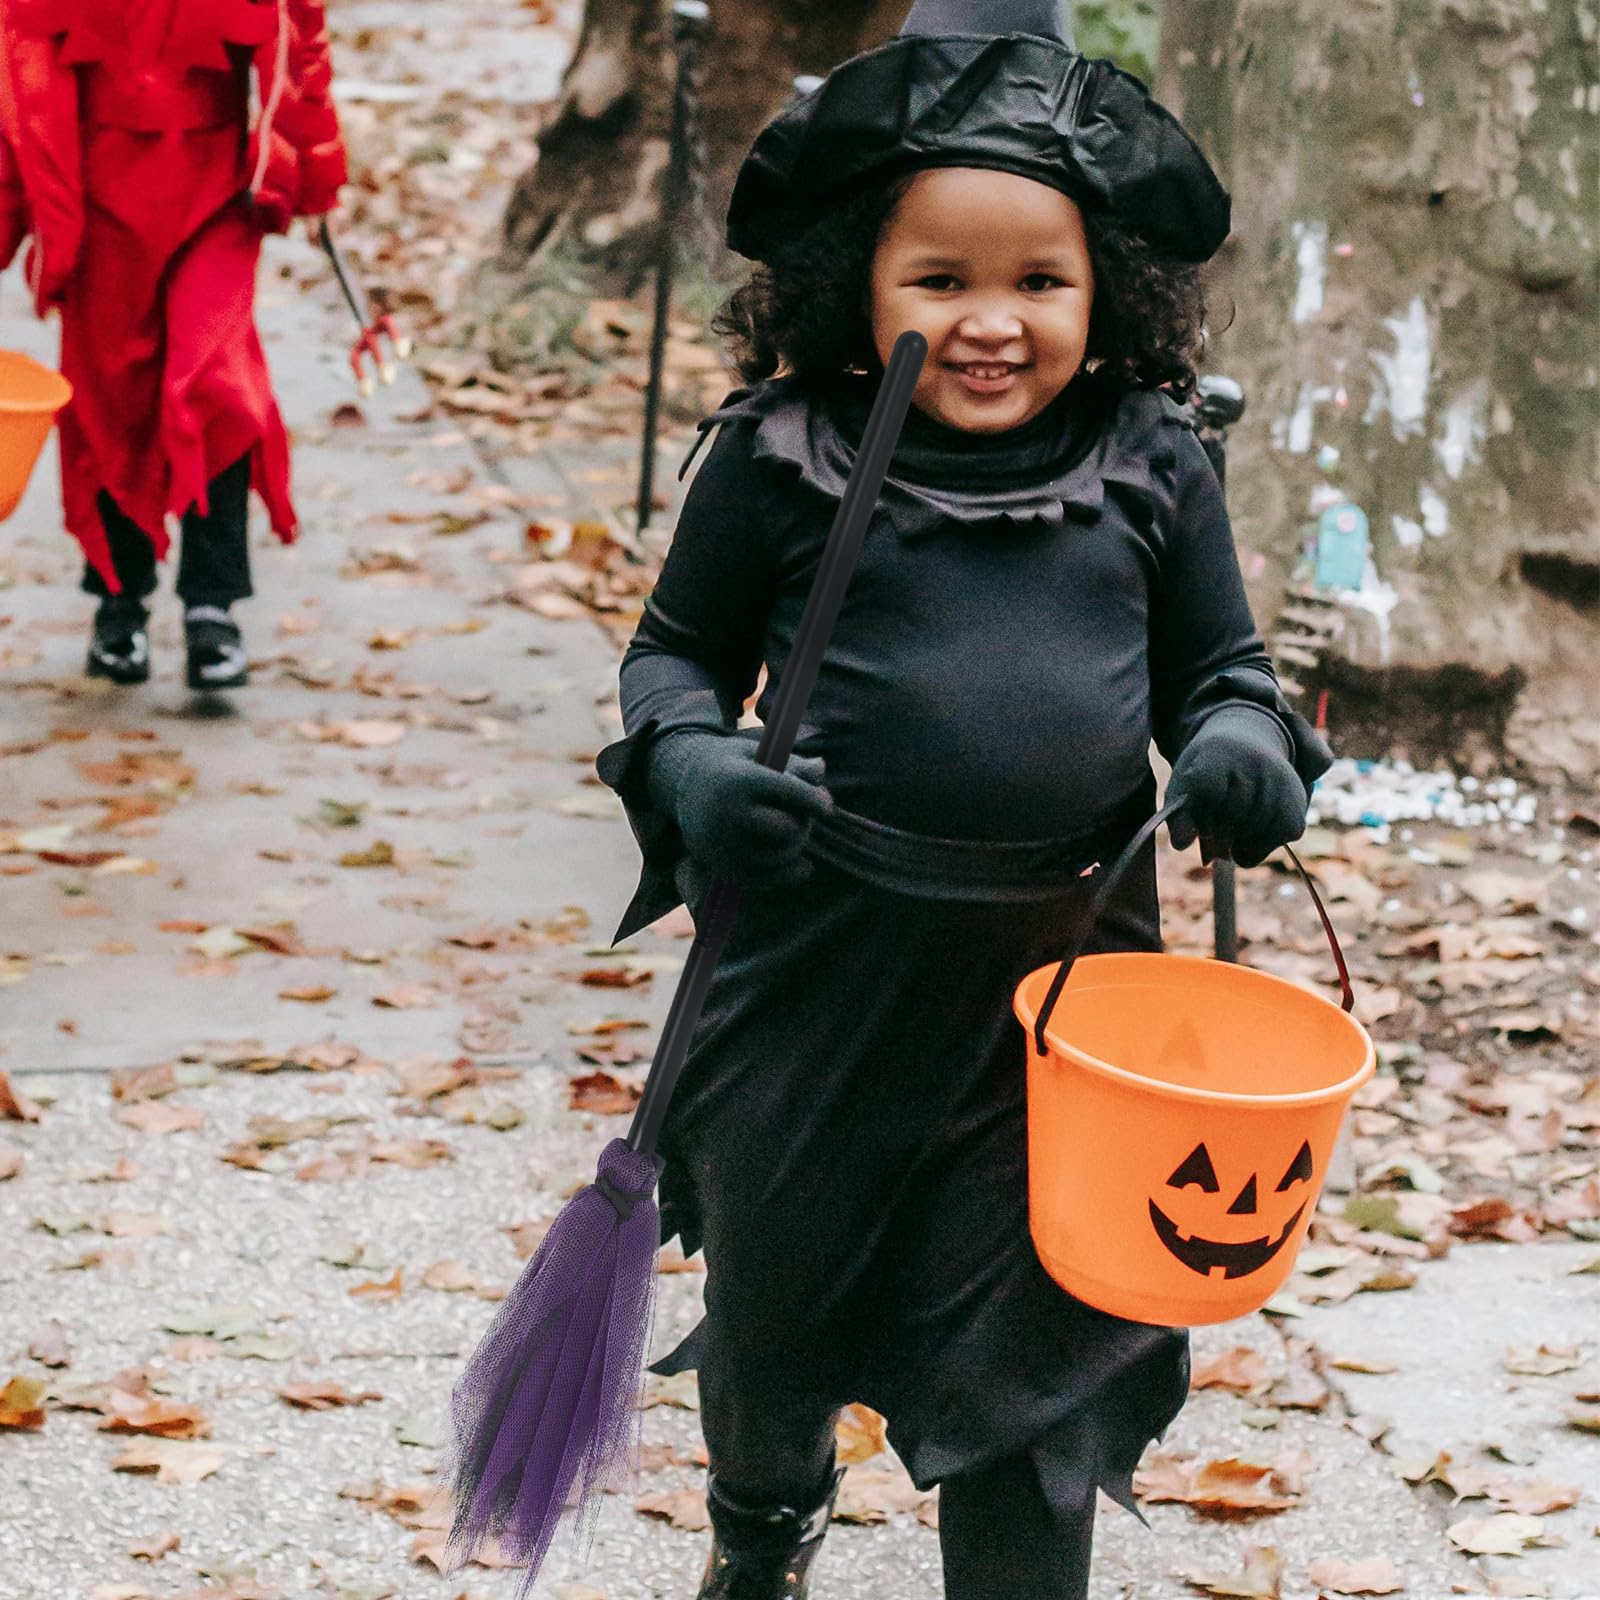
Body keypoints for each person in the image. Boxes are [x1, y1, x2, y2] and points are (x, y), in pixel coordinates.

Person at [595, 2, 1332, 1595]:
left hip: (1064, 1001)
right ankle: (764, 1518)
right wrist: (698, 764)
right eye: (942, 279)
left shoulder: (1152, 461)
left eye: (1038, 283)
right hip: (813, 980)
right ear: (859, 285)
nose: (992, 321)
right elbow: (670, 665)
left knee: (1037, 1373)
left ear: (1105, 291)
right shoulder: (780, 455)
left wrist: (1245, 743)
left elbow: (1230, 669)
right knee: (778, 1333)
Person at [0, 0, 347, 690]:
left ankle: (211, 605)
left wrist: (309, 173)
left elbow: (295, 42)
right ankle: (118, 602)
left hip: (216, 194)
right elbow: (17, 83)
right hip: (97, 202)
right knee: (109, 404)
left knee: (216, 386)